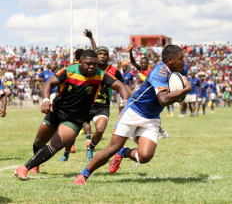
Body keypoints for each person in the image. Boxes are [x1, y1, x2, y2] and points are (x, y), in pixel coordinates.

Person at [73, 45, 192, 185]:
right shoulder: (158, 73)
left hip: (152, 117)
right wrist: (187, 89)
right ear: (170, 60)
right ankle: (83, 175)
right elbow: (164, 99)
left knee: (145, 156)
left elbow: (176, 92)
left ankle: (123, 153)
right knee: (112, 148)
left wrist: (181, 93)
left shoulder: (182, 67)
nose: (184, 61)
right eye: (181, 58)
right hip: (134, 112)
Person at [14, 50, 130, 181]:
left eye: (95, 64)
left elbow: (121, 86)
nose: (92, 67)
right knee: (39, 141)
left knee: (56, 145)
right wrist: (46, 100)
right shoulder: (69, 71)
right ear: (80, 62)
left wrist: (124, 101)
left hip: (76, 118)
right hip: (57, 111)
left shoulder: (101, 75)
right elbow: (49, 83)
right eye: (88, 64)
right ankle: (36, 164)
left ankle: (24, 168)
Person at [59, 30, 132, 162]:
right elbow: (95, 50)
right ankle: (66, 152)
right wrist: (91, 38)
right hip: (85, 104)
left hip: (102, 106)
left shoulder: (113, 70)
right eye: (100, 54)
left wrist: (129, 98)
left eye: (105, 54)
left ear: (108, 57)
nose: (102, 56)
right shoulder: (90, 69)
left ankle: (91, 148)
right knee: (72, 131)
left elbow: (123, 85)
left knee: (100, 129)